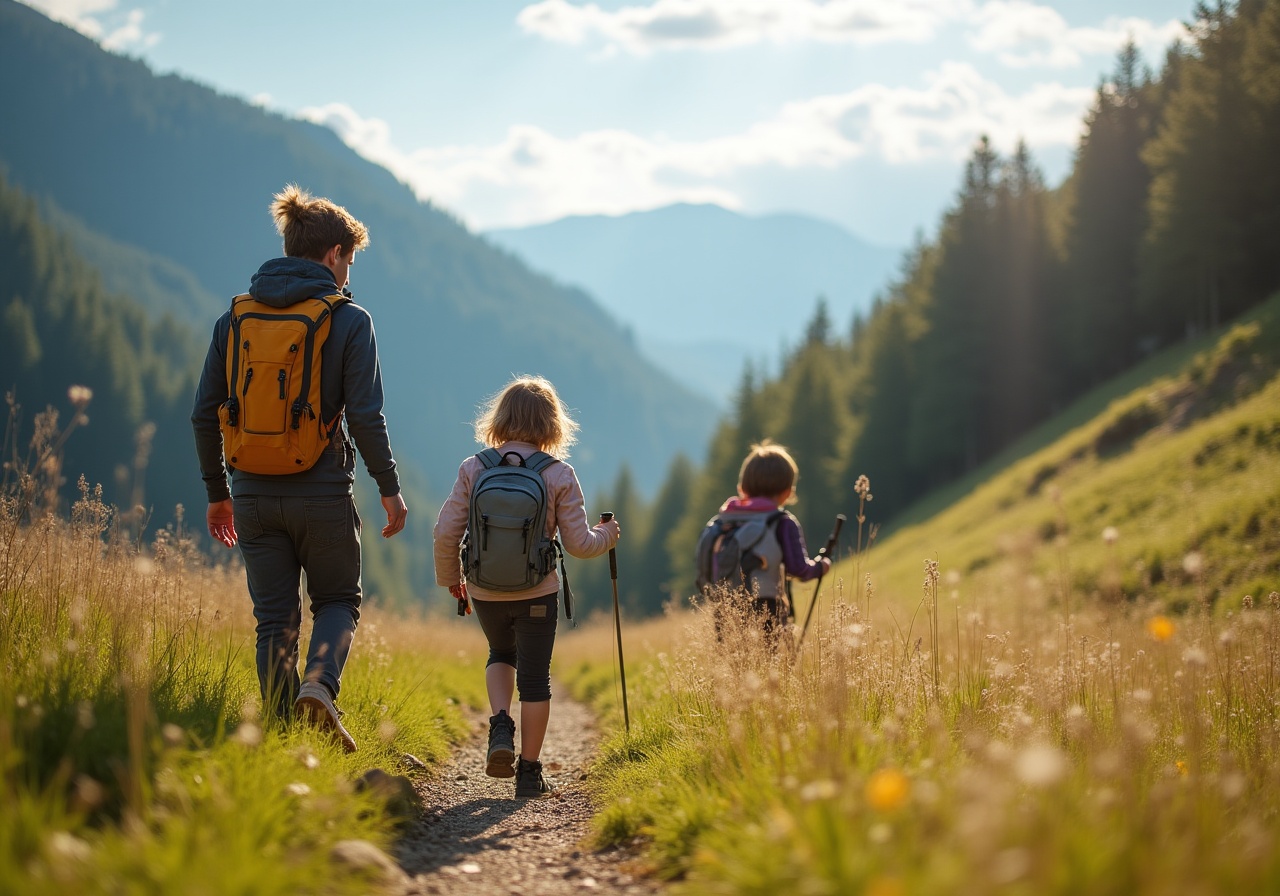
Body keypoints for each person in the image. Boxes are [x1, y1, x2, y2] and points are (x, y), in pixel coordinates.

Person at [192, 185, 408, 753]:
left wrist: (218, 494)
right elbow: (365, 416)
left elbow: (203, 413)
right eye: (349, 262)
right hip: (323, 492)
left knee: (273, 619)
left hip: (251, 496)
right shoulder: (350, 320)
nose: (347, 275)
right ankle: (320, 685)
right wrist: (390, 490)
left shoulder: (233, 320)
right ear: (334, 253)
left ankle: (286, 746)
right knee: (337, 601)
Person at [433, 375, 620, 799]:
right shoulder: (559, 474)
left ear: (500, 418)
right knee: (535, 680)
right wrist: (608, 535)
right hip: (537, 592)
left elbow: (446, 532)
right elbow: (579, 544)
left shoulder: (473, 467)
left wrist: (452, 580)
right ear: (552, 423)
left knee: (500, 653)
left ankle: (501, 723)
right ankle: (530, 773)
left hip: (483, 590)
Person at [712, 440, 829, 639]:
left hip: (724, 604)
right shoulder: (782, 523)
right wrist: (822, 566)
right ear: (787, 492)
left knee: (734, 664)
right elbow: (798, 569)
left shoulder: (723, 521)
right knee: (766, 664)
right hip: (766, 604)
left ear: (742, 488)